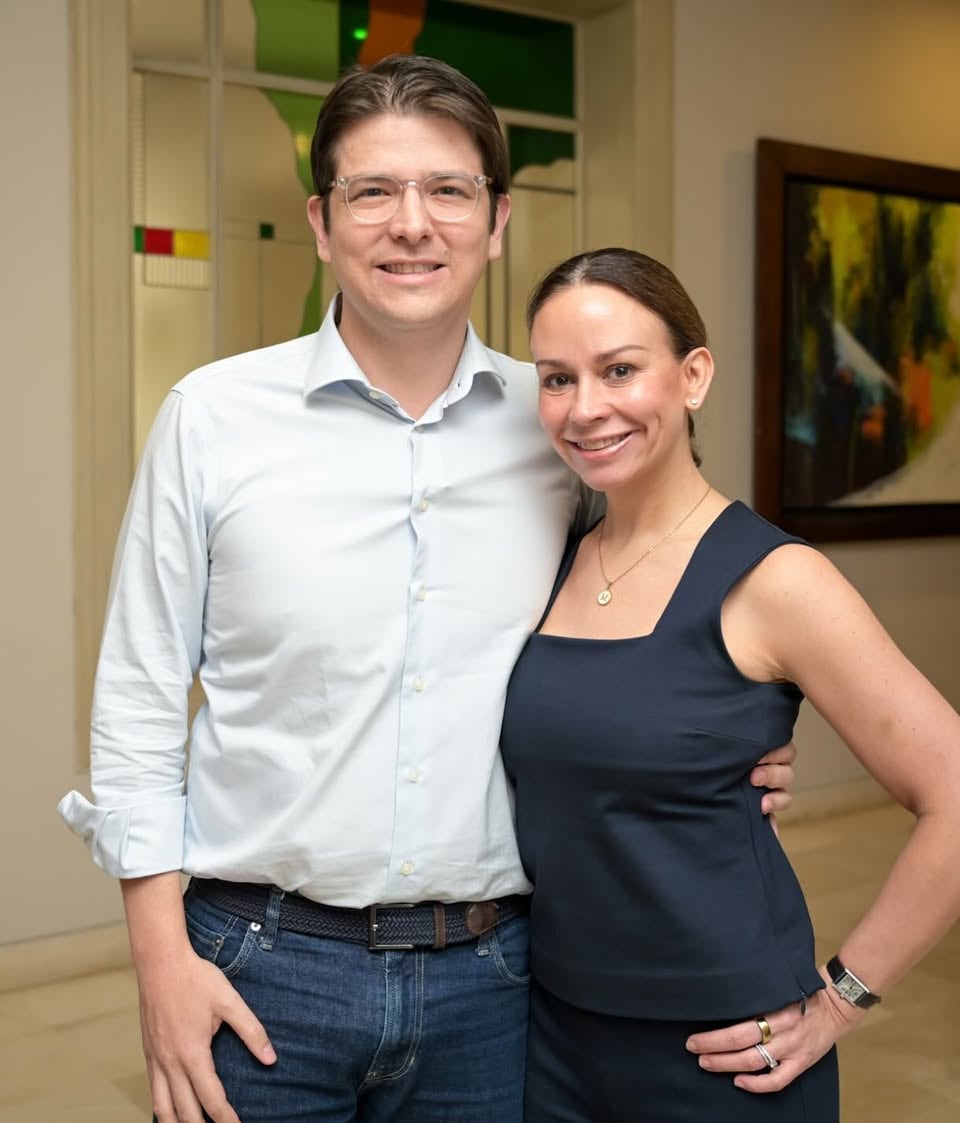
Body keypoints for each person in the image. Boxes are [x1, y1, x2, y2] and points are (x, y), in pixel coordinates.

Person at [56, 58, 795, 1123]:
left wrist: (721, 737)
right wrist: (159, 962)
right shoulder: (211, 418)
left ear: (496, 221)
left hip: (494, 979)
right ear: (321, 222)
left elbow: (644, 615)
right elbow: (137, 698)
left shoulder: (564, 427)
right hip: (258, 964)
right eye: (373, 191)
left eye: (448, 190)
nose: (413, 224)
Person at [500, 247, 960, 1122]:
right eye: (557, 378)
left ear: (693, 376)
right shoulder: (553, 554)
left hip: (726, 1050)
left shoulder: (777, 579)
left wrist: (841, 1000)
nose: (585, 407)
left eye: (619, 370)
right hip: (551, 1035)